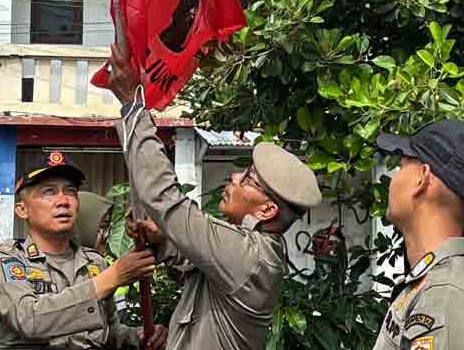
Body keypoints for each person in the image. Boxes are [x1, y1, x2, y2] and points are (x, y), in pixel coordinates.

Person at [105, 43, 323, 350]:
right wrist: (162, 241)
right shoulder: (253, 252)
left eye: (248, 179)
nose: (234, 177)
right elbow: (195, 271)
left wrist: (132, 106)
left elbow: (164, 198)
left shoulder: (246, 254)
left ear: (267, 209)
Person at [0, 151, 163, 349]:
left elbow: (110, 333)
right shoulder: (4, 262)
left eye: (70, 191)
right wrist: (111, 278)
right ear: (22, 210)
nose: (63, 200)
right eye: (48, 192)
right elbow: (28, 320)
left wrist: (137, 336)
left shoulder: (95, 263)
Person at [371, 120, 464, 350]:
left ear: (422, 178)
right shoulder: (438, 284)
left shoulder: (446, 297)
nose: (394, 180)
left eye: (402, 166)